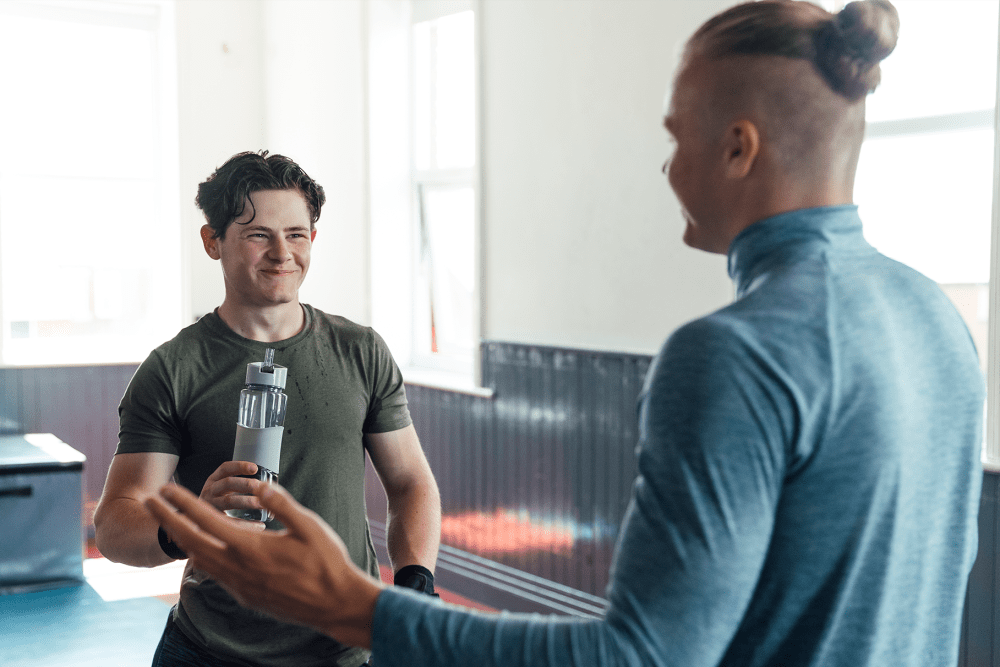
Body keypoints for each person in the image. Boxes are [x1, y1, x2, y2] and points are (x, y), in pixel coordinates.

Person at [144, 2, 986, 666]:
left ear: (738, 147)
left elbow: (642, 654)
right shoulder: (935, 317)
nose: (666, 166)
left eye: (675, 135)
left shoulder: (734, 352)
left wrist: (353, 603)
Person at [94, 150, 442, 667]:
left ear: (312, 241)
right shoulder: (173, 369)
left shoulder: (360, 351)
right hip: (210, 651)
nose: (282, 253)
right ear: (213, 242)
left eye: (296, 234)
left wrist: (415, 584)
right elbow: (115, 524)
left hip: (343, 651)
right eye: (258, 234)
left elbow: (412, 482)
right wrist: (187, 527)